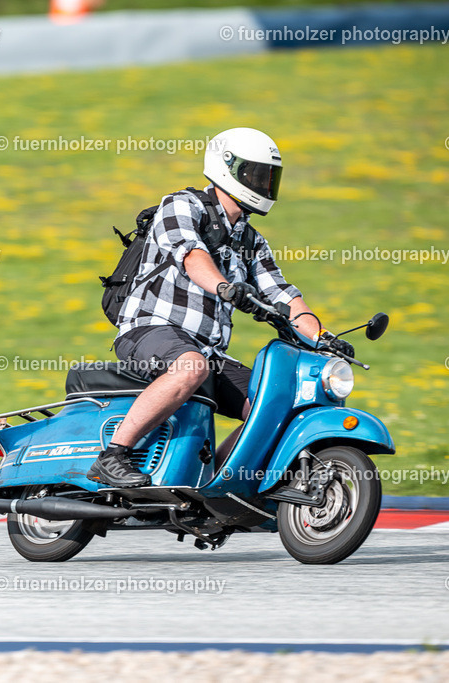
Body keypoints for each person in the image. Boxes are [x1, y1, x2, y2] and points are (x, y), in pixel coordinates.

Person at [87, 127, 353, 488]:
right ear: (227, 168)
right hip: (149, 329)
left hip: (207, 350)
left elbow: (284, 294)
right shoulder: (181, 205)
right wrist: (226, 288)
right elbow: (191, 256)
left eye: (268, 177)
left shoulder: (250, 239)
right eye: (255, 174)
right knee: (191, 366)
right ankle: (112, 455)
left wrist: (323, 337)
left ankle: (221, 482)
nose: (263, 183)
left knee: (279, 402)